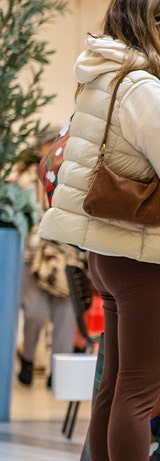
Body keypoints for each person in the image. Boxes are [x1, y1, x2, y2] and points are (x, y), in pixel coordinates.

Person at [37, 0, 160, 461]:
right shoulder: (141, 84)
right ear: (153, 20)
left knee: (115, 387)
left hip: (108, 249)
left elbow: (125, 147)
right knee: (140, 393)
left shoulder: (106, 72)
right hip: (146, 254)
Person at [12, 132, 80, 388]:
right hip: (34, 260)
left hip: (67, 259)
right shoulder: (26, 185)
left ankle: (58, 375)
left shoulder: (74, 177)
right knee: (35, 313)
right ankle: (28, 358)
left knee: (65, 319)